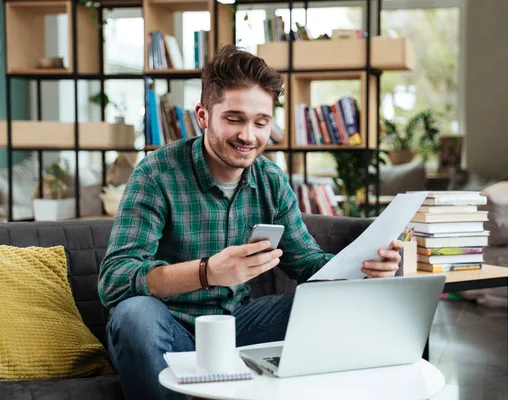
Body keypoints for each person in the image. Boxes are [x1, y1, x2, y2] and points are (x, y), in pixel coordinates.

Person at [98, 45, 402, 400]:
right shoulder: (155, 174)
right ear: (203, 115)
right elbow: (114, 280)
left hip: (237, 328)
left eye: (261, 122)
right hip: (166, 328)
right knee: (134, 314)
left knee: (328, 306)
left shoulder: (271, 180)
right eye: (234, 118)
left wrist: (367, 267)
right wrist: (207, 271)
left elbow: (309, 265)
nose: (249, 136)